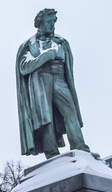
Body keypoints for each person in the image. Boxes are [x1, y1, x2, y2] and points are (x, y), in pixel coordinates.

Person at [16, 8, 90, 159]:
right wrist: (45, 56)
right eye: (49, 22)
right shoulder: (29, 45)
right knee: (45, 116)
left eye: (53, 22)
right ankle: (52, 153)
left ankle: (80, 146)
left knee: (70, 111)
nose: (52, 25)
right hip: (41, 80)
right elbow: (24, 67)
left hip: (60, 78)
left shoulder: (61, 41)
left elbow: (68, 63)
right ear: (40, 24)